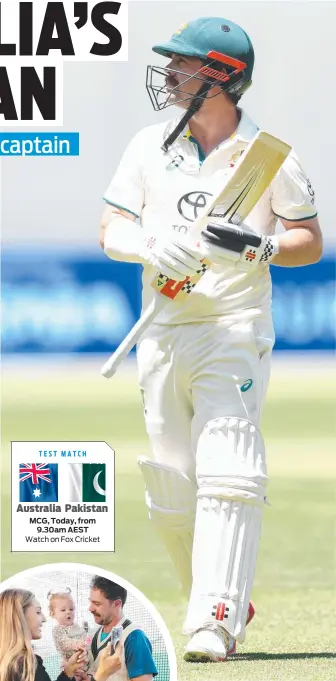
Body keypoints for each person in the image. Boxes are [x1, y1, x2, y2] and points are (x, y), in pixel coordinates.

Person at [100, 16, 322, 662]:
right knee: (172, 488)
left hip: (232, 327)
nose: (169, 73)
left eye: (184, 64)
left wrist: (264, 246)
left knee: (228, 470)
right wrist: (146, 243)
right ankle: (217, 594)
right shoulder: (148, 145)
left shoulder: (269, 156)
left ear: (220, 78)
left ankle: (216, 620)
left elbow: (308, 240)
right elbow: (110, 224)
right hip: (163, 332)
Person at [0, 589, 122, 681]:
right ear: (19, 617)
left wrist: (68, 671)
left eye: (71, 609)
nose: (44, 619)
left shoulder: (11, 664)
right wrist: (102, 674)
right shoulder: (27, 666)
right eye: (38, 612)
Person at [79, 577, 157, 681]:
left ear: (117, 604)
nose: (90, 608)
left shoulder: (134, 637)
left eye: (97, 604)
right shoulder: (92, 634)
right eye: (91, 602)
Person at [48, 588, 90, 678]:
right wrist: (77, 644)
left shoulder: (77, 626)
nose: (68, 612)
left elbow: (84, 636)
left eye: (71, 609)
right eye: (63, 610)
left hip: (84, 663)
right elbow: (64, 642)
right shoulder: (58, 630)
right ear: (52, 614)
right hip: (70, 665)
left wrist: (87, 641)